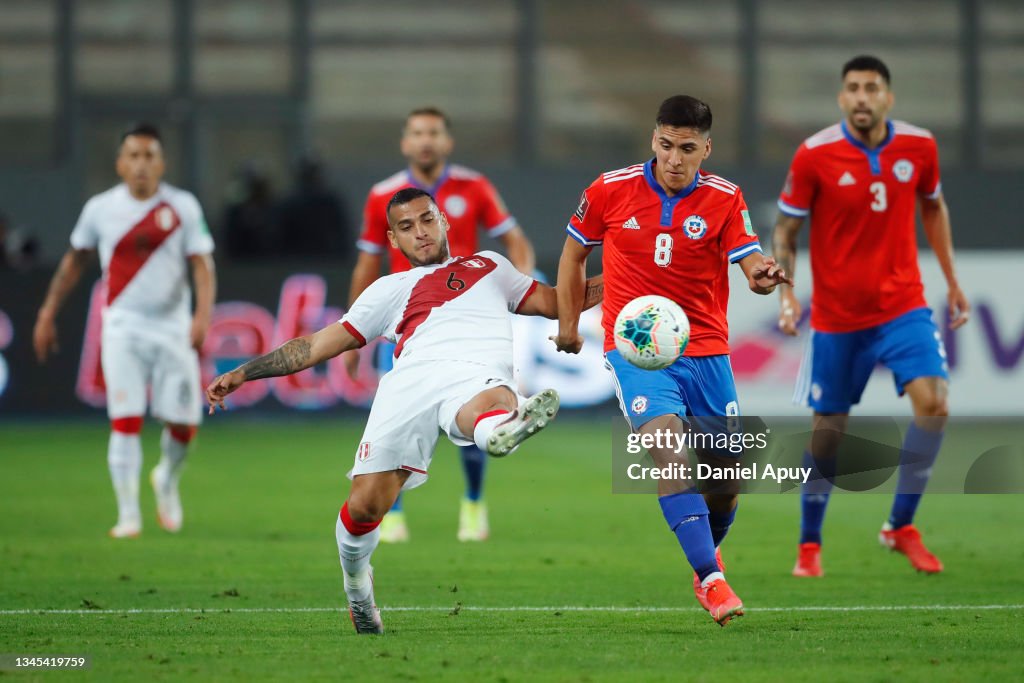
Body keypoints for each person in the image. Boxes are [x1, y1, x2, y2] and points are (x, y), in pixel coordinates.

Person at [206, 188, 603, 634]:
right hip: (410, 384)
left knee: (490, 404)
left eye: (427, 219)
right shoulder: (388, 290)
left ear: (445, 221)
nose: (421, 232)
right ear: (394, 240)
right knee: (365, 507)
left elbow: (555, 301)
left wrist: (629, 279)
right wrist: (245, 371)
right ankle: (358, 587)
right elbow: (315, 346)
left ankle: (500, 430)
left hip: (476, 375)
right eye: (407, 227)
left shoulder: (491, 266)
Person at [552, 96, 792, 626]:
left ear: (707, 148)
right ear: (652, 140)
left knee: (727, 480)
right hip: (635, 348)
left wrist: (762, 275)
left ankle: (706, 552)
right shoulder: (609, 188)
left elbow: (749, 263)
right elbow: (574, 252)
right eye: (666, 145)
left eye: (687, 148)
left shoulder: (726, 198)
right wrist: (569, 323)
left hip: (705, 348)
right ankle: (711, 578)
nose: (675, 159)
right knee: (669, 450)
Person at [773, 55, 970, 578]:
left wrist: (950, 280)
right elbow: (786, 232)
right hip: (838, 317)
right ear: (842, 98)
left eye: (872, 88)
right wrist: (787, 298)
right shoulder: (815, 154)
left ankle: (900, 526)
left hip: (902, 305)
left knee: (935, 403)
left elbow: (933, 207)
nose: (862, 97)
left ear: (888, 97)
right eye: (854, 88)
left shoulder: (919, 146)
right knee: (828, 435)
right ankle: (809, 543)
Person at [347, 107, 537, 544]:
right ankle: (391, 511)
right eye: (417, 133)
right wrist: (355, 338)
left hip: (468, 320)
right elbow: (366, 264)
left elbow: (515, 239)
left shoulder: (474, 186)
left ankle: (472, 503)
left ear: (447, 141)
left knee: (478, 411)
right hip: (403, 319)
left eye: (433, 132)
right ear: (405, 143)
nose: (425, 140)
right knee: (393, 417)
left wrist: (517, 282)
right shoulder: (383, 196)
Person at [33, 122, 216, 538]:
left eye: (149, 156)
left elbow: (203, 265)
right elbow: (74, 261)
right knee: (125, 421)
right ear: (119, 163)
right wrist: (47, 312)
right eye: (133, 156)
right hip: (121, 328)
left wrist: (202, 316)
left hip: (172, 329)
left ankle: (166, 478)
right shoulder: (100, 209)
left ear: (162, 163)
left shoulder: (182, 206)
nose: (141, 165)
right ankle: (129, 514)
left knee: (184, 426)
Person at [276, 155, 352, 258]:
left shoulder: (329, 200)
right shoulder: (291, 202)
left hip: (325, 256)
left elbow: (341, 231)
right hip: (299, 257)